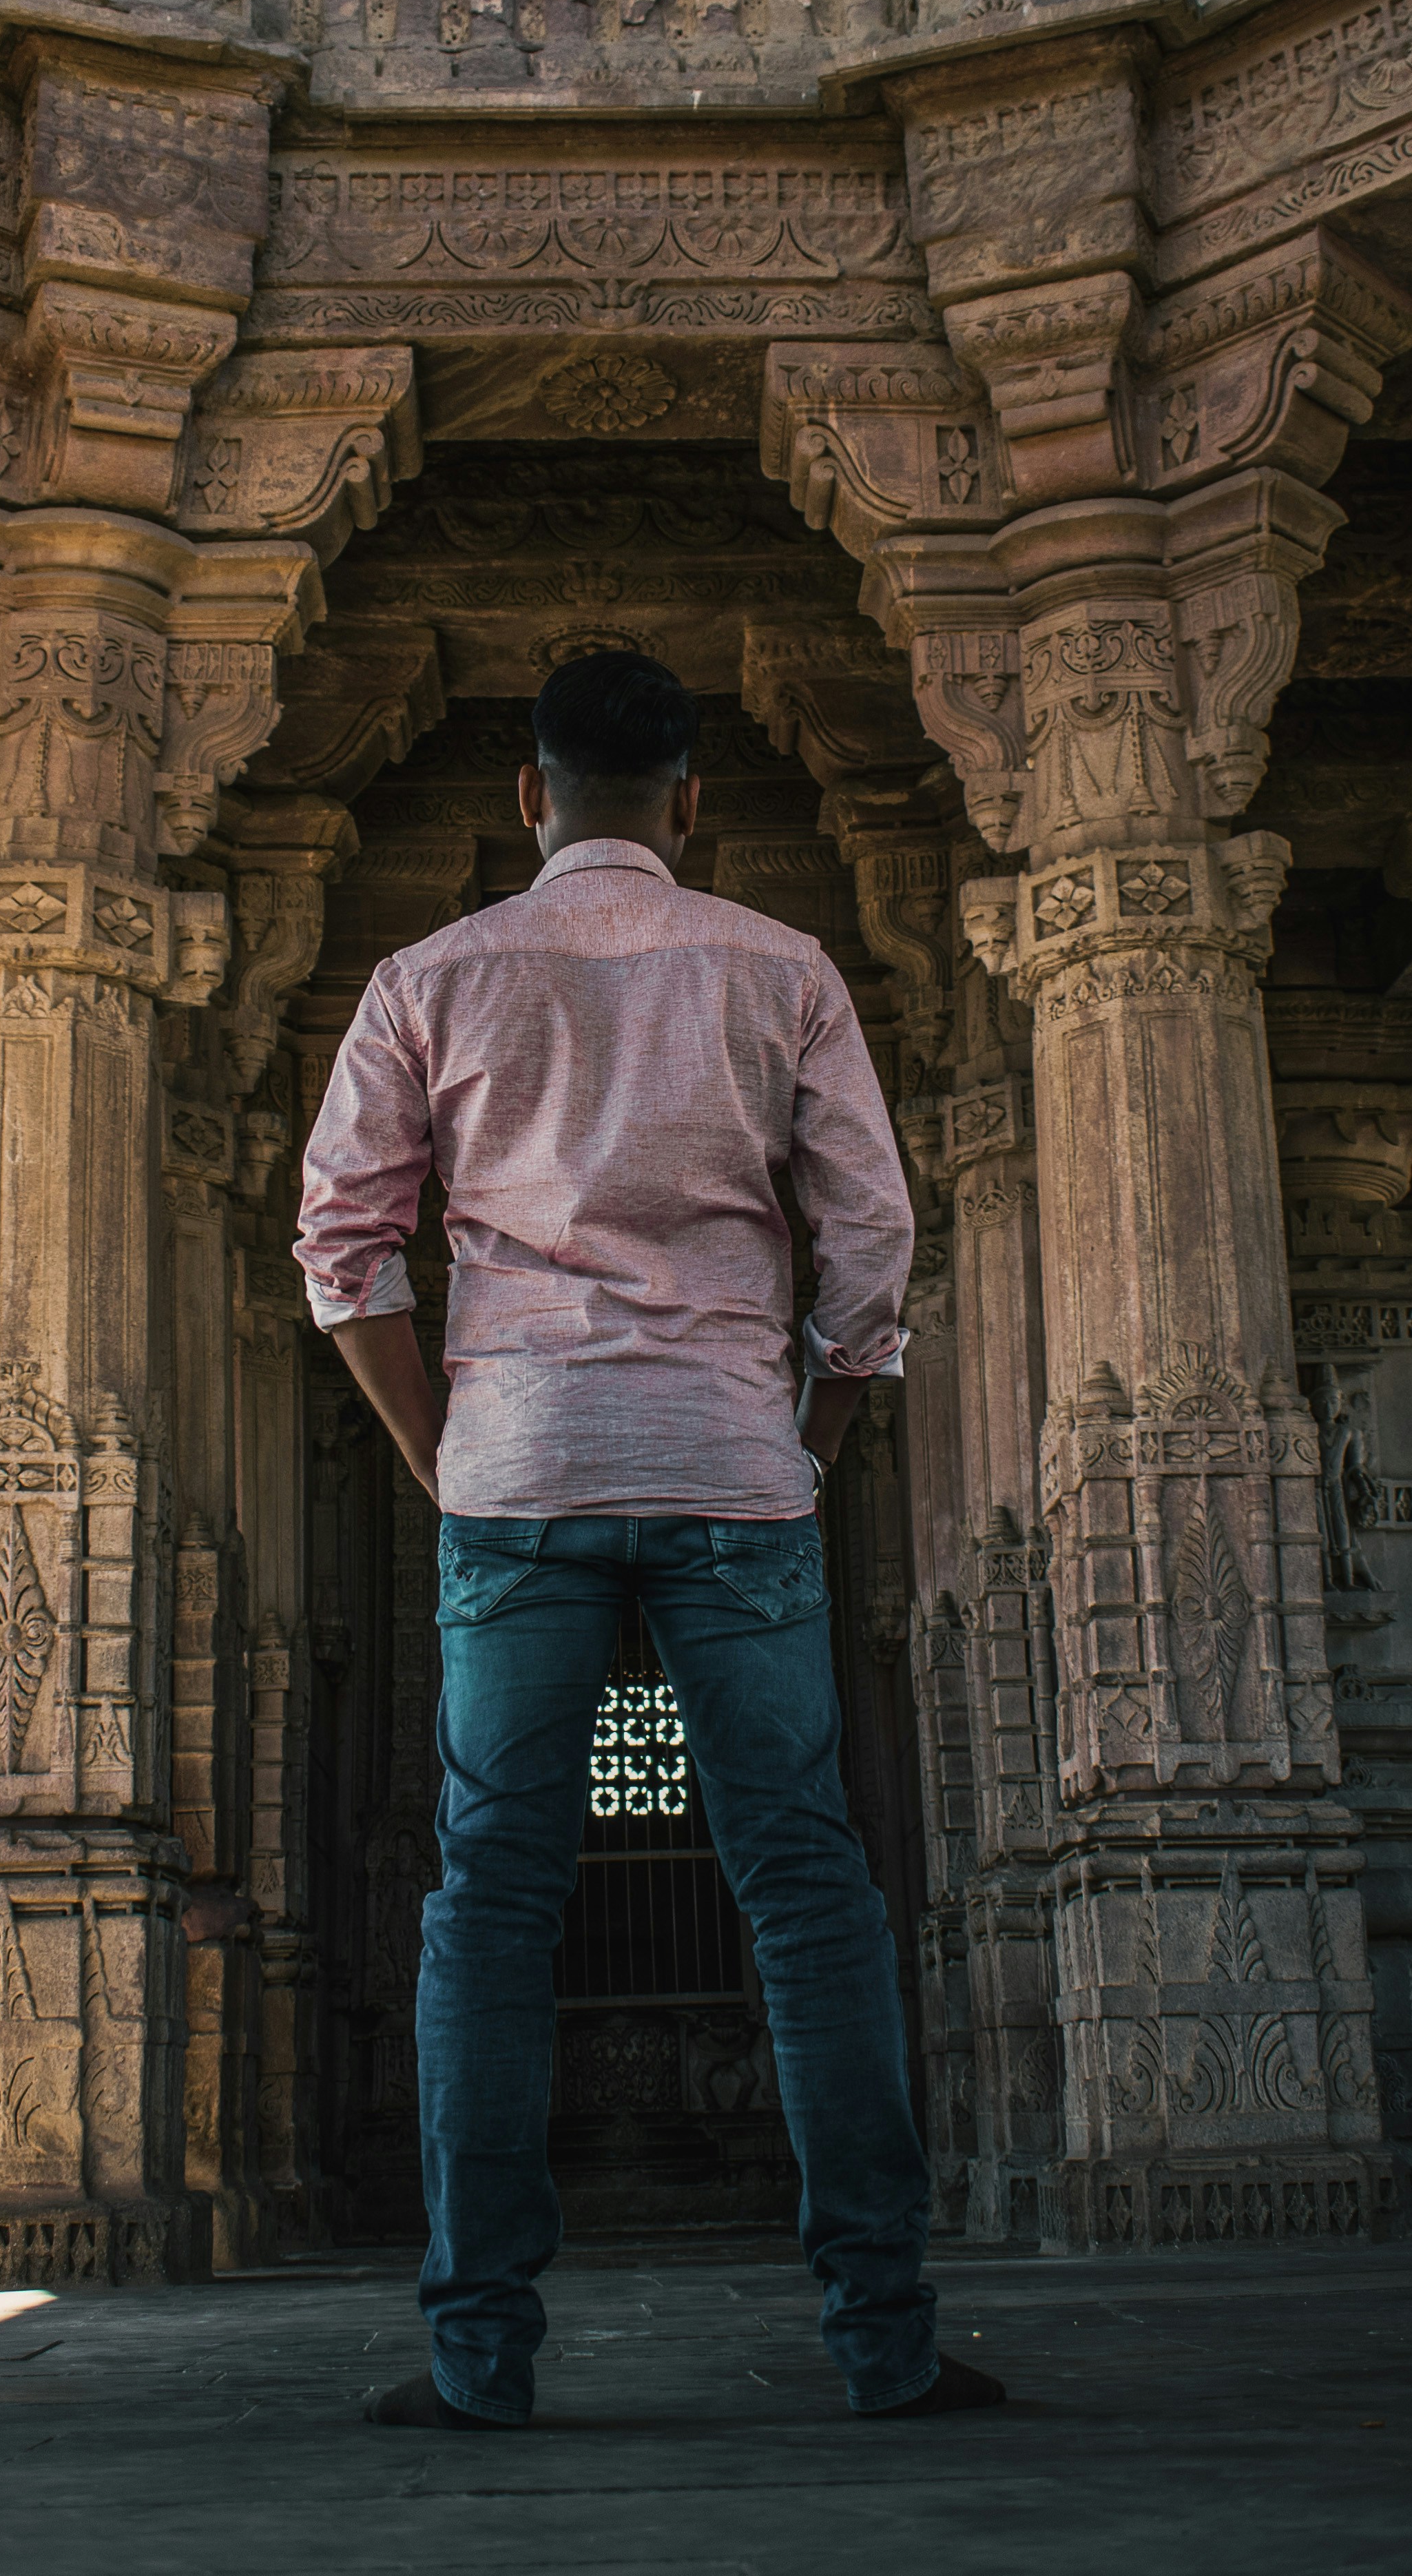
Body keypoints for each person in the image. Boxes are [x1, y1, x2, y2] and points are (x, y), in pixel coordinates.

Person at [296, 648, 1004, 2430]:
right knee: (810, 1899)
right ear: (693, 804)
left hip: (516, 1471)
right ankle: (887, 2341)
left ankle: (481, 2360)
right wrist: (808, 1439)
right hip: (731, 1473)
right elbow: (869, 1250)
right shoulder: (782, 972)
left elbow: (343, 1249)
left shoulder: (431, 978)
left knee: (494, 1911)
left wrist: (443, 1453)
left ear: (530, 800)